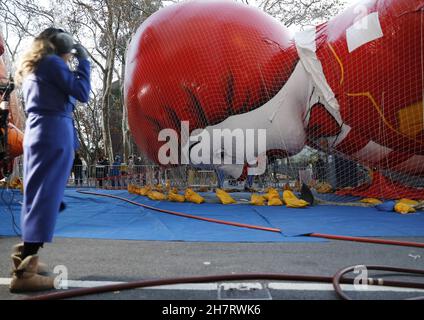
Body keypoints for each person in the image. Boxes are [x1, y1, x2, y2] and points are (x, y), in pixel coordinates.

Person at [10, 27, 90, 292]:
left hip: (37, 131)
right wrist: (84, 61)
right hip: (53, 132)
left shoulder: (36, 66)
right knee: (45, 197)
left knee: (39, 195)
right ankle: (24, 273)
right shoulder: (53, 63)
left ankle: (27, 258)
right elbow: (82, 92)